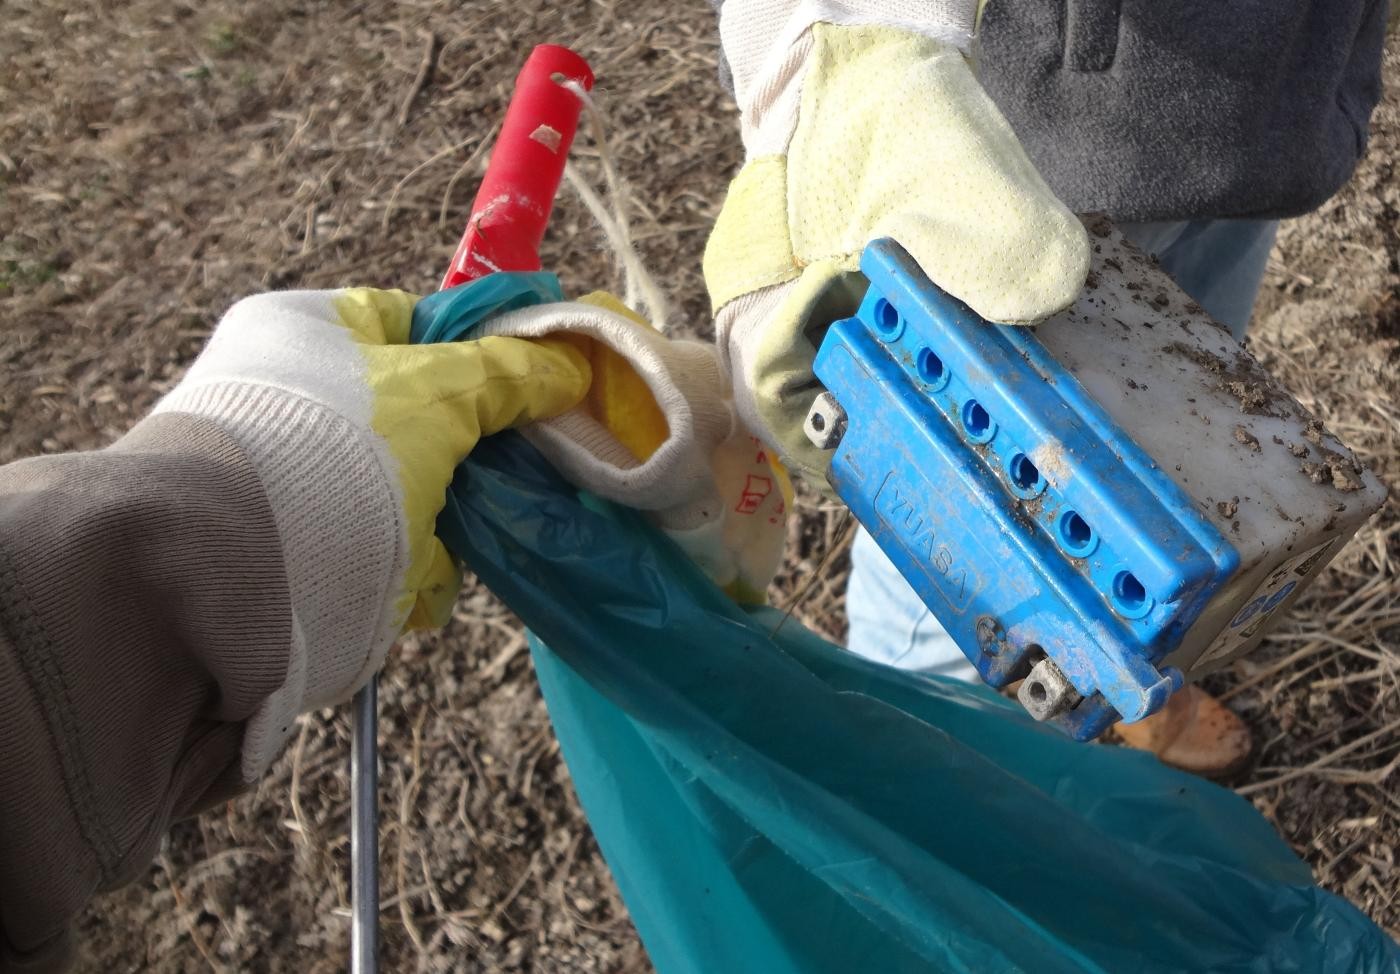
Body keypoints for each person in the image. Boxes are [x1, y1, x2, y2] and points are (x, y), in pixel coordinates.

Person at [702, 0, 1389, 776]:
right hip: (1018, 152)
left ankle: (1136, 683)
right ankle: (914, 763)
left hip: (1262, 124)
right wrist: (843, 33)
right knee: (962, 526)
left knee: (1184, 471)